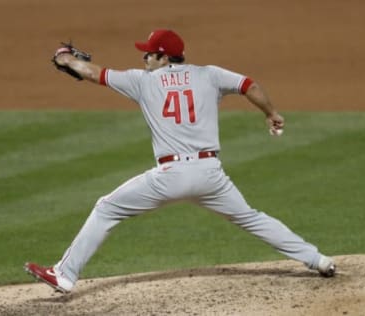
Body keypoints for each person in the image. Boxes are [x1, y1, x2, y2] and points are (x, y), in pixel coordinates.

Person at [25, 29, 336, 293]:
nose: (143, 58)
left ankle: (64, 275)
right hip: (211, 175)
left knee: (107, 208)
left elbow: (91, 73)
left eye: (149, 54)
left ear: (163, 57)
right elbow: (248, 85)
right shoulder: (209, 74)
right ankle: (318, 259)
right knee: (251, 218)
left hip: (170, 176)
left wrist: (65, 58)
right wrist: (271, 114)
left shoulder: (142, 82)